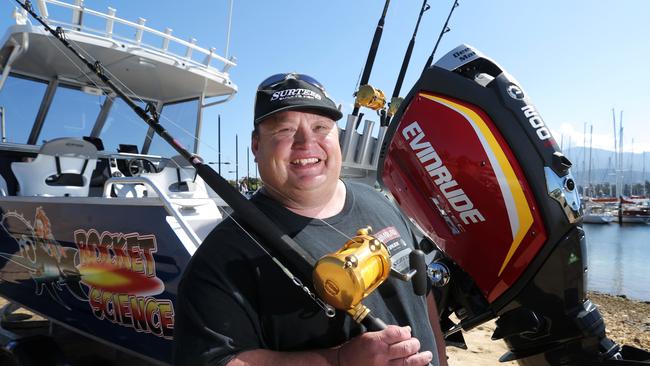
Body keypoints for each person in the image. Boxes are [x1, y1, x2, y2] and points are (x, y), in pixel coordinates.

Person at [174, 73, 446, 366]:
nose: (306, 143)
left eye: (320, 127)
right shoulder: (221, 258)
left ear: (337, 136)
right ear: (256, 145)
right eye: (285, 130)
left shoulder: (380, 202)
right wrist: (339, 361)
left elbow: (422, 301)